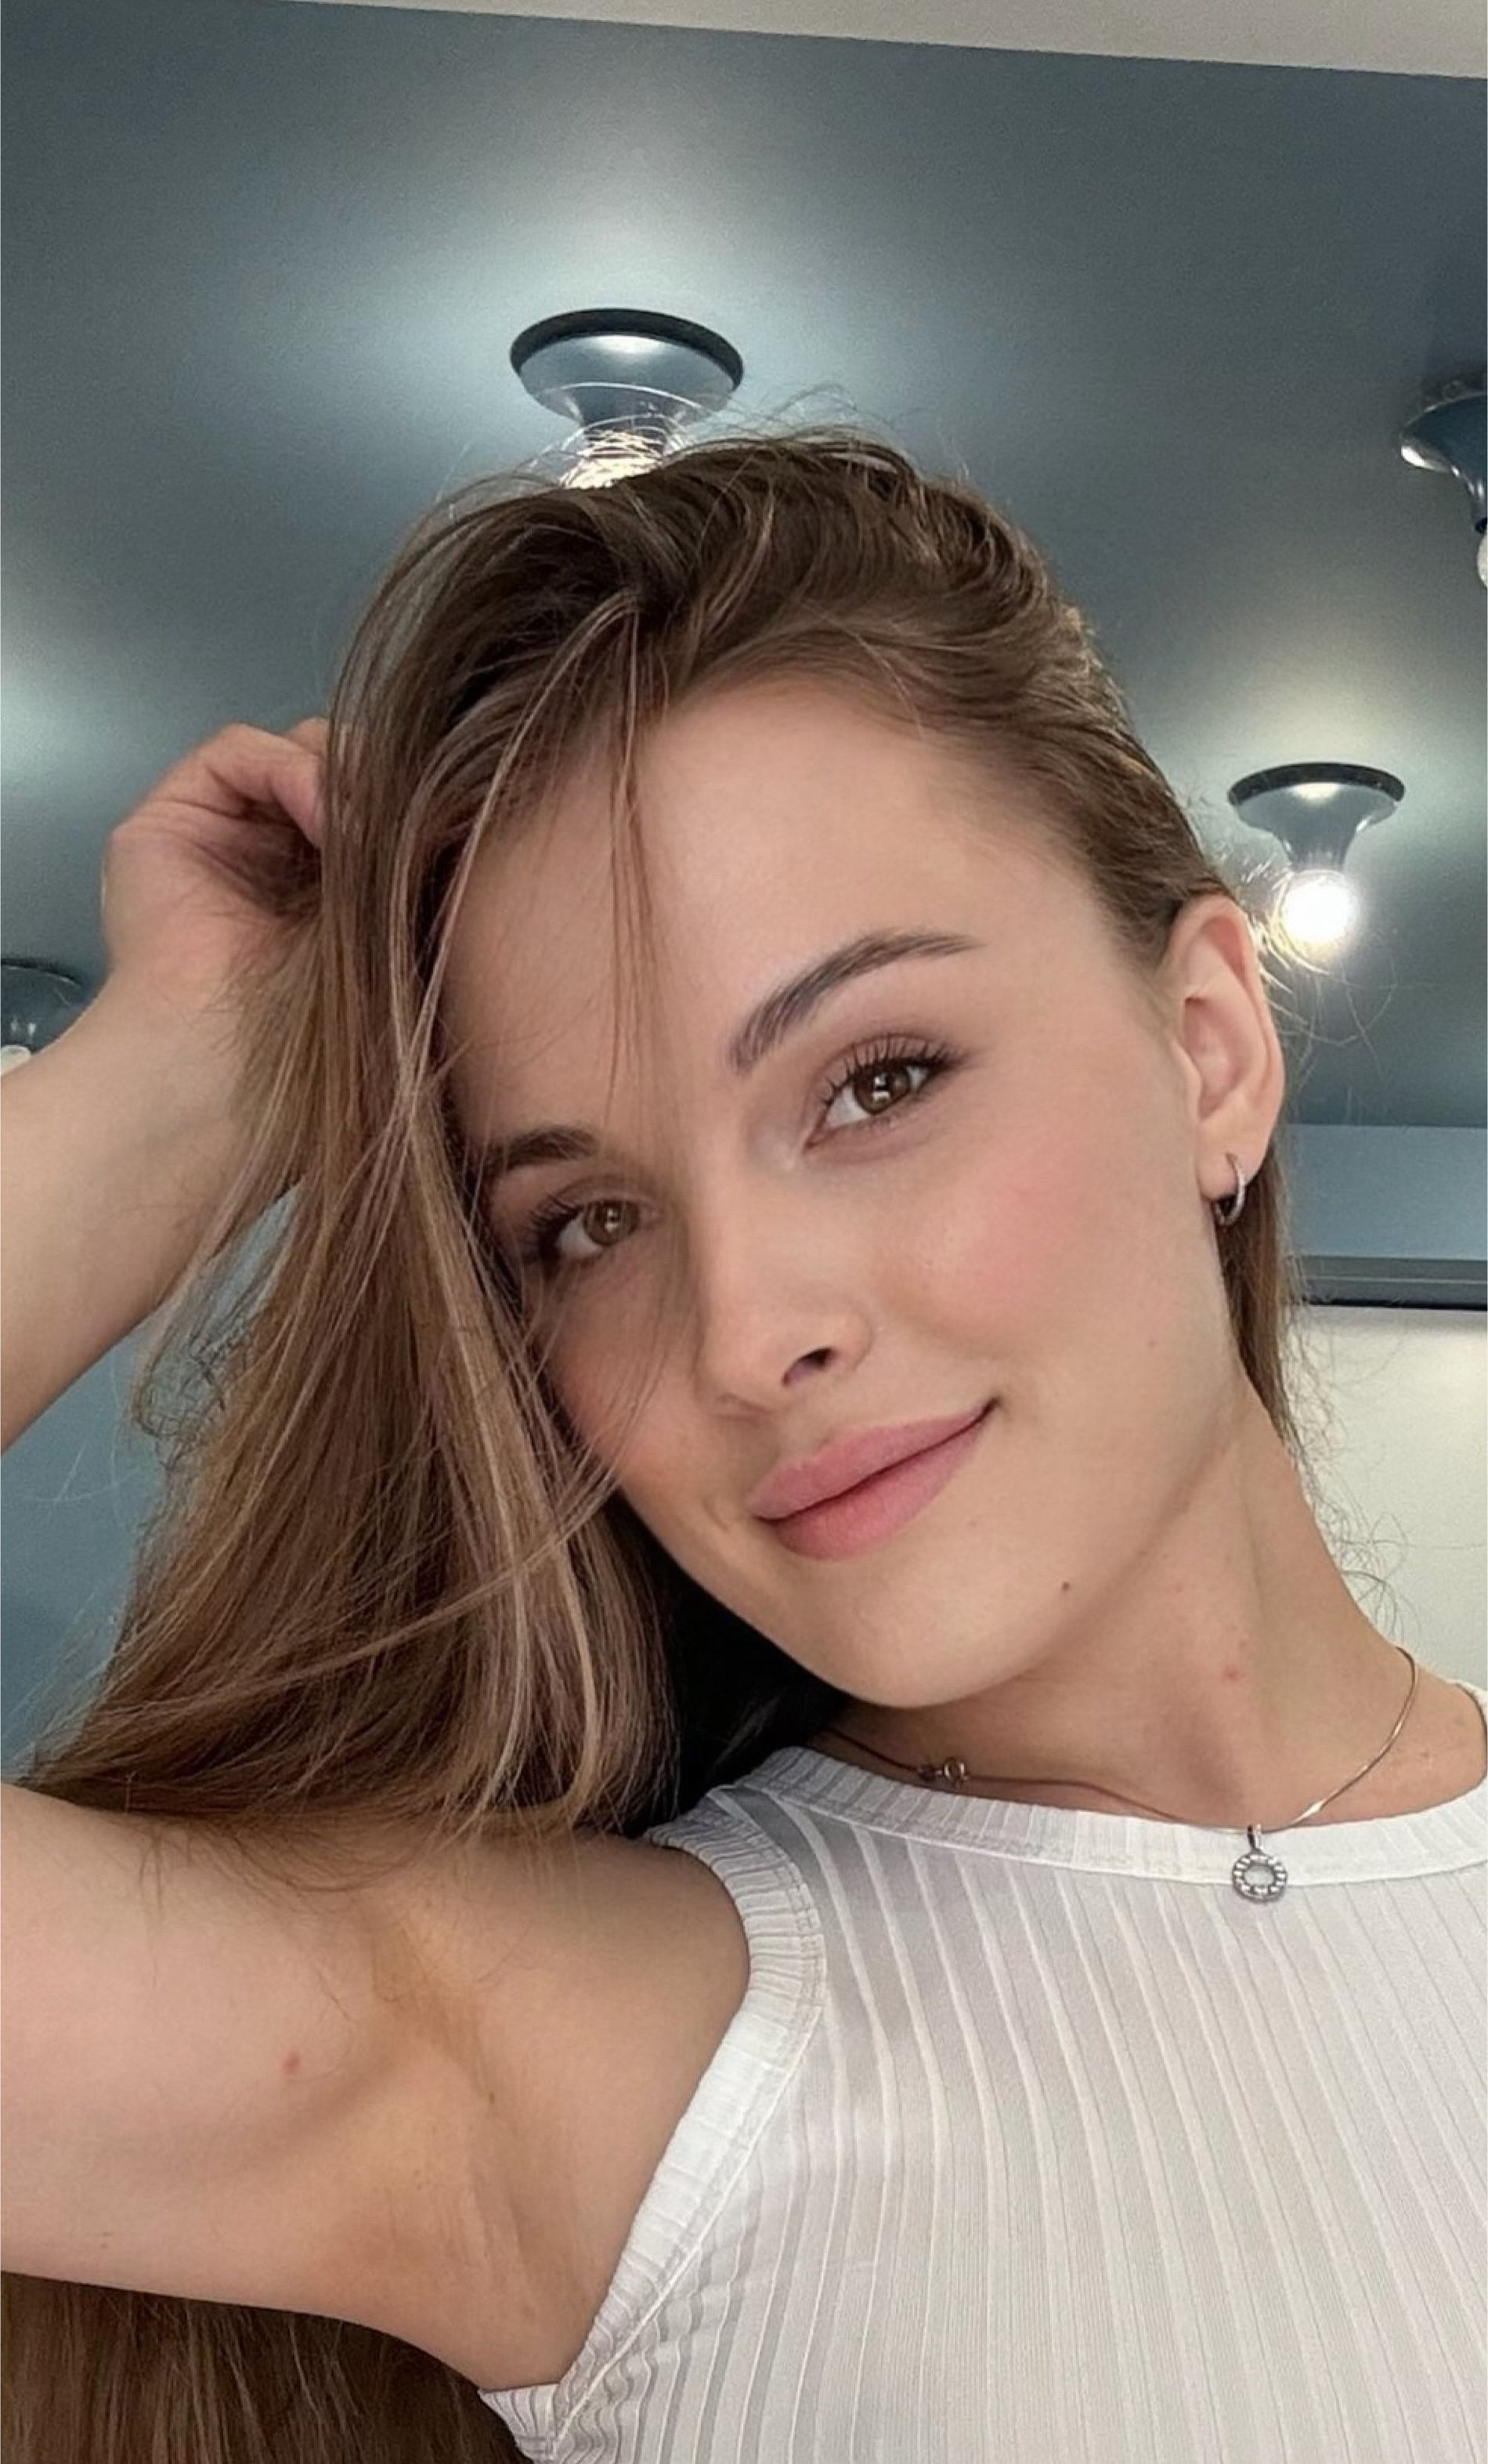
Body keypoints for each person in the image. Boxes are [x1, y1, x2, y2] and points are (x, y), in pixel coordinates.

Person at [2, 429, 1482, 2464]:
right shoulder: (564, 2067)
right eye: (587, 1223)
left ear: (1209, 1051)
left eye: (877, 1081)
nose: (740, 1331)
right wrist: (187, 1070)